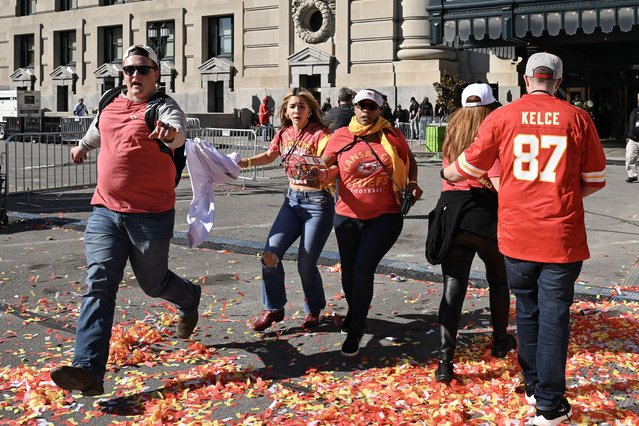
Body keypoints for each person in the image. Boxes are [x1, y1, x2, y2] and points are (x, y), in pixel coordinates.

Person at [441, 52, 606, 425]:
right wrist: (558, 194)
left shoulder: (502, 117)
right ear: (559, 81)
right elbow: (594, 181)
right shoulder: (578, 118)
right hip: (561, 235)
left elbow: (466, 167)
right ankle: (549, 402)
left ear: (527, 79)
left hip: (516, 233)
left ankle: (534, 386)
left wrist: (450, 171)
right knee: (554, 317)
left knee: (527, 311)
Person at [51, 45, 200, 396]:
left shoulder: (161, 108)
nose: (135, 75)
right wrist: (82, 147)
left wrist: (170, 134)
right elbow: (98, 129)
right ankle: (88, 370)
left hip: (150, 217)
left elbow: (178, 131)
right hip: (105, 211)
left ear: (156, 75)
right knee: (99, 284)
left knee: (153, 283)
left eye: (143, 70)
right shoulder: (109, 101)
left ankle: (189, 296)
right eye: (129, 69)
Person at [321, 88, 423, 356]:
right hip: (347, 217)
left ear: (380, 110)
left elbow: (409, 161)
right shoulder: (340, 136)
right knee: (349, 272)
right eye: (361, 106)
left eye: (372, 107)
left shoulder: (391, 134)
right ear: (353, 108)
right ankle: (356, 312)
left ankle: (355, 331)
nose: (366, 112)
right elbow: (327, 165)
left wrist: (412, 182)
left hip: (385, 216)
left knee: (363, 271)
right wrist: (322, 174)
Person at [427, 83, 516, 384]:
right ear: (491, 107)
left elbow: (447, 173)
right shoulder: (494, 133)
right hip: (486, 212)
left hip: (453, 214)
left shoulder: (452, 134)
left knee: (453, 288)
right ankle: (500, 341)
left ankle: (444, 361)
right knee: (498, 279)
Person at [239, 87, 334, 332]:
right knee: (269, 255)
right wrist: (245, 163)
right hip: (291, 201)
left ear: (311, 110)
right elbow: (271, 155)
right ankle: (274, 307)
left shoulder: (321, 134)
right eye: (292, 106)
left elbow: (328, 156)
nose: (296, 111)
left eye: (302, 106)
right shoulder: (283, 133)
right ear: (285, 110)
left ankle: (314, 310)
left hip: (317, 204)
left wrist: (322, 166)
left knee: (305, 264)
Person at [625, 93, 639, 183]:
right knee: (630, 158)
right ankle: (632, 175)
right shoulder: (634, 111)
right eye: (638, 101)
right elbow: (630, 124)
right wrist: (628, 136)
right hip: (633, 139)